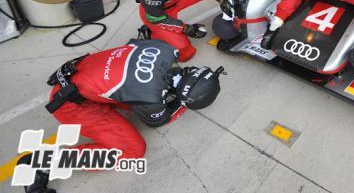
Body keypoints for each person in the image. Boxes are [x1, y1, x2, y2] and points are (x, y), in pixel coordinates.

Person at [19, 40, 223, 193]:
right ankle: (42, 162)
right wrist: (181, 104)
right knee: (133, 150)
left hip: (77, 76)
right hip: (71, 105)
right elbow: (159, 119)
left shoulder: (167, 49)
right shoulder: (149, 95)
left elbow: (133, 47)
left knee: (129, 96)